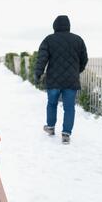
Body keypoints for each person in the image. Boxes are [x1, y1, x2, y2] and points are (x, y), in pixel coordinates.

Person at [35, 15, 88, 144]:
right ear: (68, 25)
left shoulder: (48, 40)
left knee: (52, 104)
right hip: (71, 81)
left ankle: (51, 128)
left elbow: (42, 59)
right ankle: (66, 134)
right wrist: (76, 71)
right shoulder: (78, 40)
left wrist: (38, 73)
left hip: (53, 80)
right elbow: (84, 59)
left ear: (55, 26)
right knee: (69, 107)